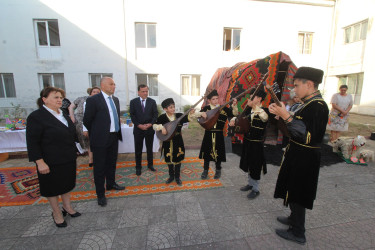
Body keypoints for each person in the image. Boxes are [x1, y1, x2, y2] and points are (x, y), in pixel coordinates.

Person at [269, 67, 329, 245]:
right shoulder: (307, 104)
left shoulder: (318, 106)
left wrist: (285, 115)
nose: (293, 90)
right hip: (297, 153)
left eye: (296, 86)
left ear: (309, 84)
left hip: (305, 157)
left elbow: (305, 134)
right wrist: (279, 115)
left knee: (299, 192)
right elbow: (293, 129)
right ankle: (293, 218)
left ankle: (298, 232)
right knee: (292, 188)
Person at [26, 87, 81, 228]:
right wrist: (40, 162)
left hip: (67, 158)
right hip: (49, 161)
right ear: (44, 99)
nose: (60, 100)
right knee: (52, 187)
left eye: (61, 97)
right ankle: (56, 213)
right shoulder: (37, 117)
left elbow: (69, 134)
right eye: (56, 97)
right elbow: (32, 142)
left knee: (67, 184)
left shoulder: (62, 113)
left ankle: (67, 208)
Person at [83, 77, 125, 207]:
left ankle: (111, 184)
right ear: (103, 85)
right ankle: (100, 194)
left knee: (111, 163)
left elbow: (115, 117)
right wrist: (97, 132)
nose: (114, 86)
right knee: (99, 168)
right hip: (100, 139)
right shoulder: (93, 100)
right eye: (111, 84)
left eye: (114, 84)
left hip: (114, 137)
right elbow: (87, 120)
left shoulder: (115, 100)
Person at [153, 98, 195, 186]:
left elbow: (188, 118)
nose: (173, 109)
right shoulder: (162, 117)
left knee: (178, 159)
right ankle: (171, 176)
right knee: (168, 159)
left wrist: (191, 113)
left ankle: (177, 177)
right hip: (167, 142)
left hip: (178, 141)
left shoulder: (179, 116)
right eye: (170, 107)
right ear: (165, 109)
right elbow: (154, 125)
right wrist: (162, 128)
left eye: (174, 107)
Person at [199, 89, 238, 179]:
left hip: (219, 134)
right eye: (213, 99)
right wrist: (201, 113)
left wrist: (234, 106)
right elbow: (196, 116)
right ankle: (205, 170)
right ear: (209, 100)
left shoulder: (223, 108)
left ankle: (218, 170)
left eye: (217, 98)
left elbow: (234, 114)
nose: (216, 101)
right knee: (207, 153)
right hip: (208, 134)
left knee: (218, 153)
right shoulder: (206, 109)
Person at [239, 87, 268, 199]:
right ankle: (250, 184)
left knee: (255, 165)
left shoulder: (264, 110)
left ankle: (256, 189)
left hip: (257, 144)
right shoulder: (248, 109)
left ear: (260, 98)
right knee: (248, 162)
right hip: (247, 141)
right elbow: (241, 118)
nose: (250, 98)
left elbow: (264, 118)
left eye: (253, 96)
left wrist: (254, 107)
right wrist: (234, 121)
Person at [129, 84, 158, 176]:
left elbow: (155, 114)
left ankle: (150, 165)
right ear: (138, 92)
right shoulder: (133, 102)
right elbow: (132, 115)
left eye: (146, 91)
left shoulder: (152, 102)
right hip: (138, 130)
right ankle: (138, 167)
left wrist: (151, 124)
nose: (145, 93)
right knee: (138, 149)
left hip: (149, 129)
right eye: (143, 91)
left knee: (149, 149)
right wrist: (138, 125)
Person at [68, 87, 101, 167]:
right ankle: (91, 159)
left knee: (94, 142)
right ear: (90, 93)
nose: (96, 93)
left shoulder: (100, 101)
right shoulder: (83, 99)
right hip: (82, 123)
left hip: (95, 124)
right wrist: (72, 116)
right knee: (88, 141)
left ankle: (93, 159)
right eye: (94, 92)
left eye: (98, 92)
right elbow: (71, 107)